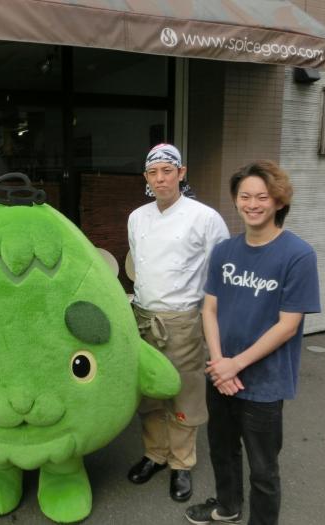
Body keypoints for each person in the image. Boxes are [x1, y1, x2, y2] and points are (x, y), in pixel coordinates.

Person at [185, 161, 320, 525]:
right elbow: (209, 309)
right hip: (221, 374)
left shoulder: (298, 255)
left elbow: (288, 326)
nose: (253, 203)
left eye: (263, 196)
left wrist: (235, 364)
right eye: (245, 196)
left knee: (263, 468)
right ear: (235, 200)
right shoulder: (225, 251)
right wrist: (218, 363)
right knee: (222, 450)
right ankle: (227, 507)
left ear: (278, 202)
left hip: (264, 382)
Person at [127, 143, 229, 502]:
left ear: (181, 173)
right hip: (142, 316)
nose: (160, 179)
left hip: (183, 320)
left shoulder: (205, 217)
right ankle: (155, 454)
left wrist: (212, 323)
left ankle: (181, 464)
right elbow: (137, 265)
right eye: (153, 173)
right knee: (150, 393)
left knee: (182, 392)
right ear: (146, 178)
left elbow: (220, 274)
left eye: (167, 171)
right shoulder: (137, 217)